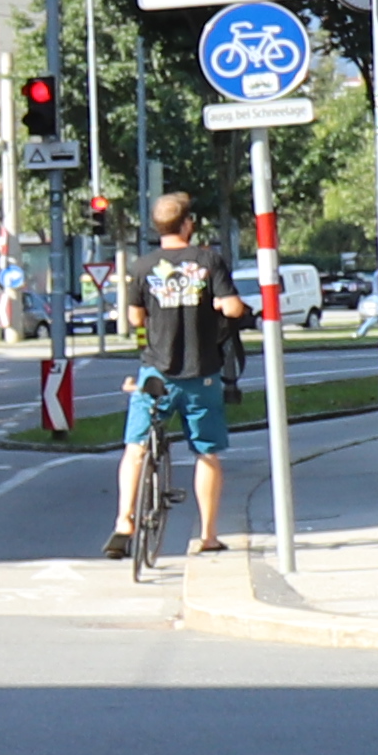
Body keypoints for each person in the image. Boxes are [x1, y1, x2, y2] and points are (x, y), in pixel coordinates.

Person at [109, 189, 241, 562]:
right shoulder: (207, 260)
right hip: (201, 374)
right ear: (188, 224)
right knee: (207, 453)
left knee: (135, 447)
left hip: (156, 372)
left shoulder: (142, 265)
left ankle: (124, 521)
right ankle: (209, 535)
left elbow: (135, 318)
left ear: (157, 227)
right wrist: (220, 304)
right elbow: (232, 308)